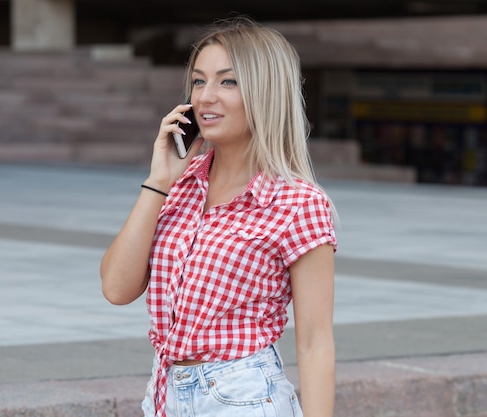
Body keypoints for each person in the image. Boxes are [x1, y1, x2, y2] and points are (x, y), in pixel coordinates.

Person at [100, 17, 337, 417]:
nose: (206, 96)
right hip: (164, 394)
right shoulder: (180, 185)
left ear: (265, 93)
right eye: (198, 81)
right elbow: (117, 288)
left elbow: (315, 341)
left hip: (242, 396)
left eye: (227, 82)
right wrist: (158, 180)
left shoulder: (298, 203)